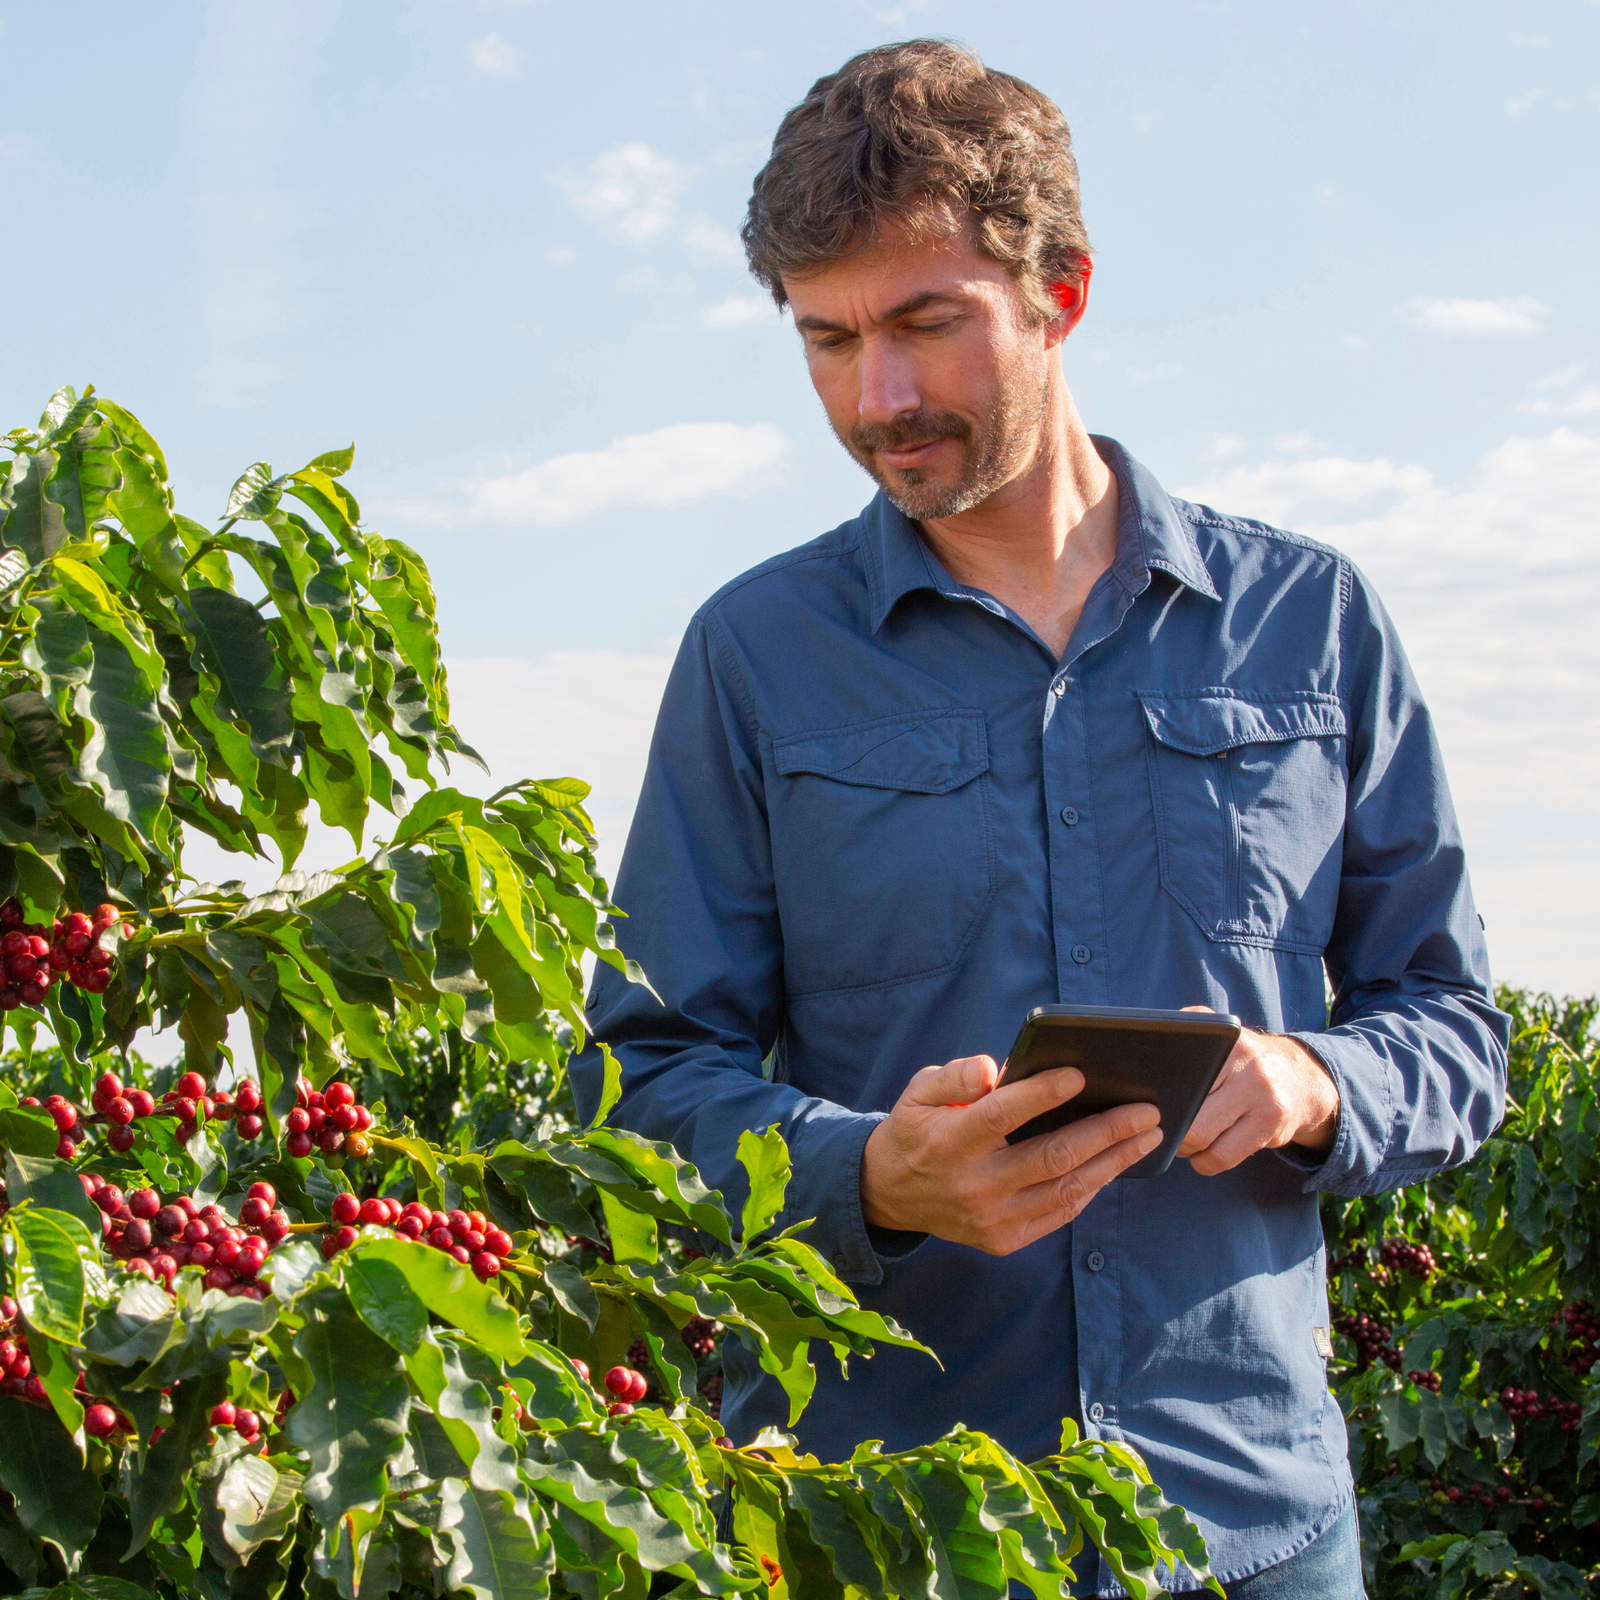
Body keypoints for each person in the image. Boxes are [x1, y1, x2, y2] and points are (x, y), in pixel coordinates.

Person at [573, 39, 1507, 1597]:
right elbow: (639, 1079)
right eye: (827, 340)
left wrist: (1312, 1078)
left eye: (927, 325)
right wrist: (867, 1174)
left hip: (1252, 1526)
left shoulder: (1312, 622)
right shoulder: (753, 656)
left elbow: (1458, 1029)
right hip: (877, 1532)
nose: (878, 398)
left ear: (1060, 291)